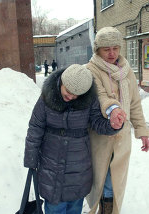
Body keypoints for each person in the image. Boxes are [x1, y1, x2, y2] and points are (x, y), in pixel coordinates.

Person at [24, 64, 123, 214]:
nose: (71, 97)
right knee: (54, 208)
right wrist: (31, 159)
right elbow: (35, 127)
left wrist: (113, 125)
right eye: (68, 91)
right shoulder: (46, 97)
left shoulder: (90, 100)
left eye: (76, 95)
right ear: (61, 82)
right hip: (51, 165)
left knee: (74, 208)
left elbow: (97, 123)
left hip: (79, 168)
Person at [86, 27, 149, 214]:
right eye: (106, 49)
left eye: (115, 48)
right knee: (99, 181)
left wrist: (142, 131)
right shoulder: (90, 70)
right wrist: (114, 109)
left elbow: (135, 104)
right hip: (100, 137)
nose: (112, 53)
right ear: (97, 50)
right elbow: (100, 95)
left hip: (122, 138)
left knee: (114, 183)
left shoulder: (127, 72)